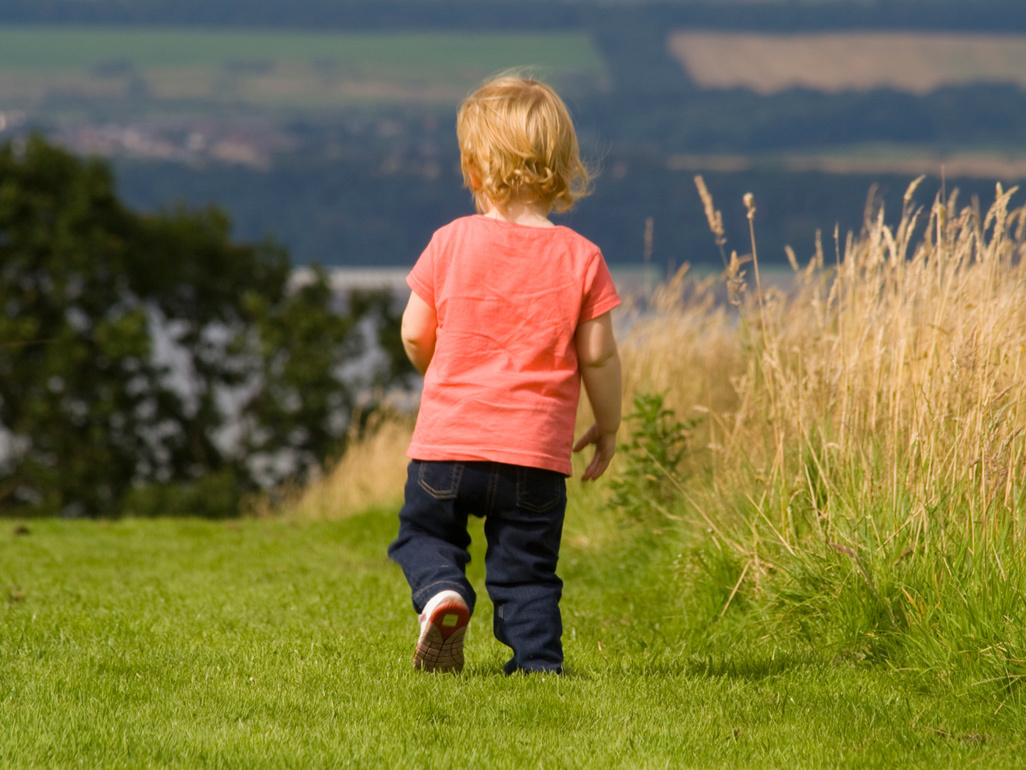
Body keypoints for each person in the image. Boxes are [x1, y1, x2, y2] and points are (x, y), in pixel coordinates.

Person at [387, 73, 622, 675]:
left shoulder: (450, 241)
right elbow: (598, 354)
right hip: (535, 455)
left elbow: (415, 332)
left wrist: (433, 371)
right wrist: (609, 423)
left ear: (473, 165)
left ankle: (443, 591)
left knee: (424, 536)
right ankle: (539, 666)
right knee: (527, 570)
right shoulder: (582, 257)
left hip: (449, 444)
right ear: (564, 165)